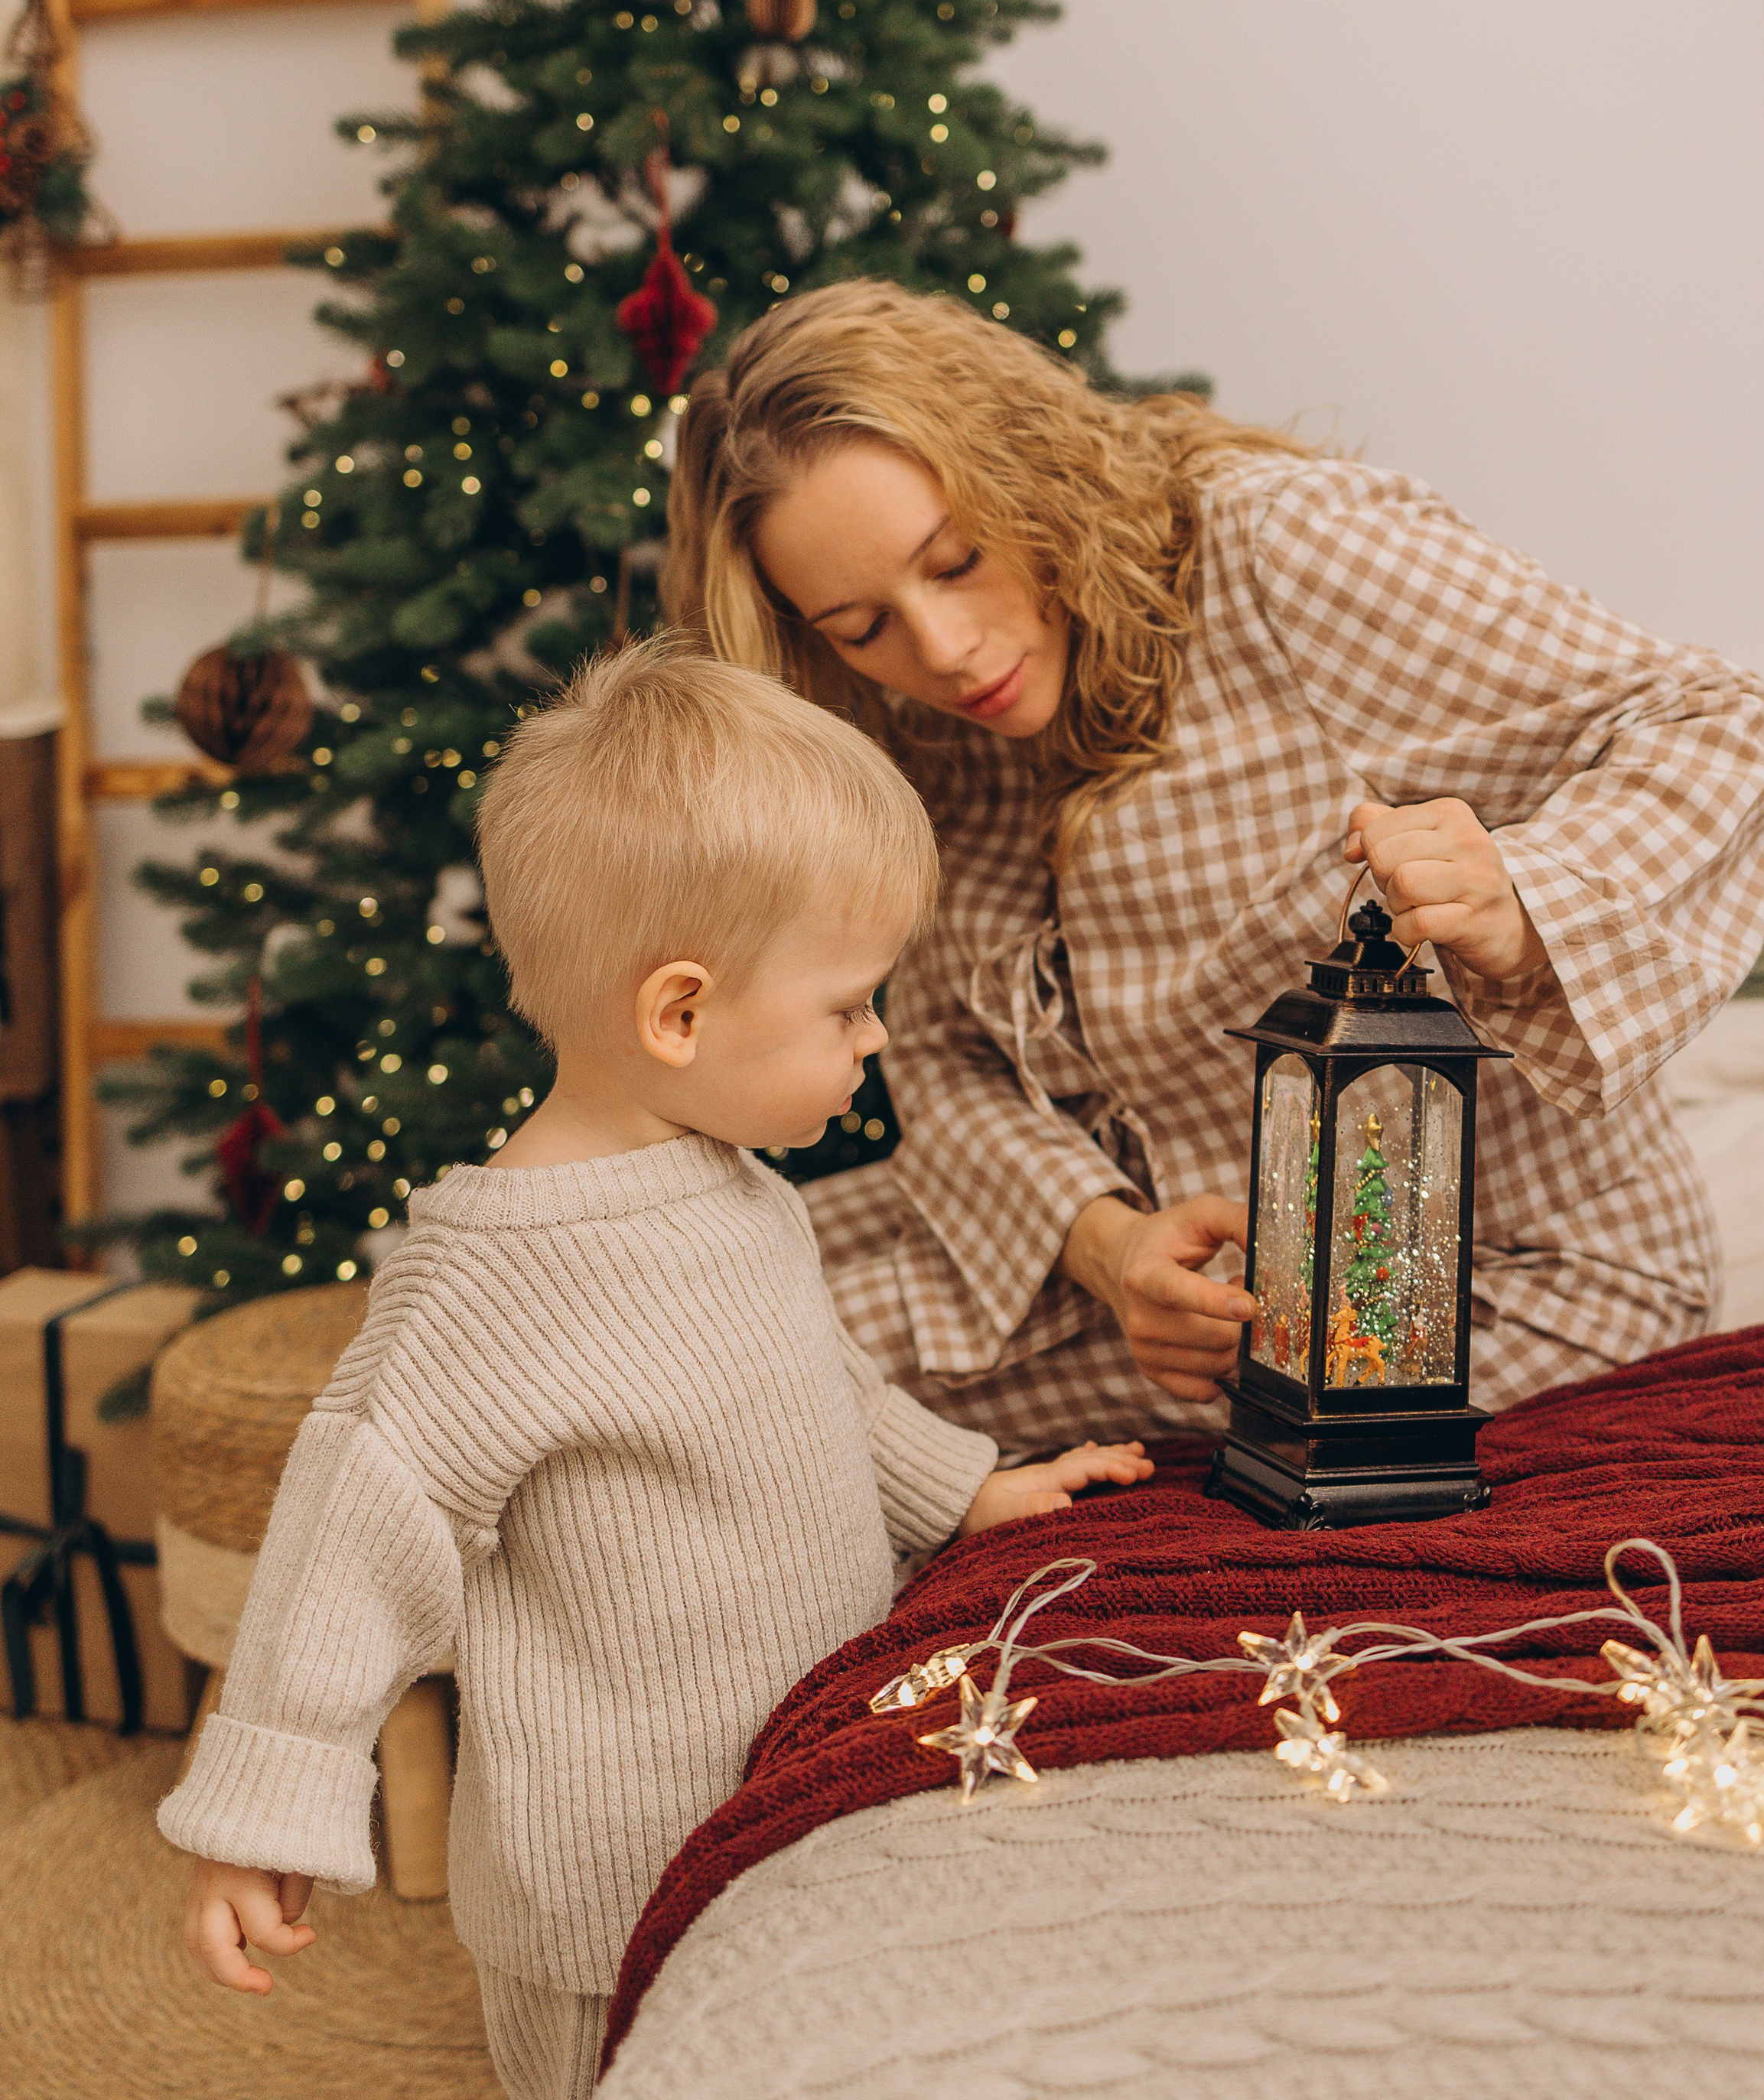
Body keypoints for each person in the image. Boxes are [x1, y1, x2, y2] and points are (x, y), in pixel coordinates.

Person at [160, 642, 1147, 2100]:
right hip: (614, 1886)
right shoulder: (494, 1274)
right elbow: (352, 1537)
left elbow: (811, 1392)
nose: (876, 1039)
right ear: (679, 1013)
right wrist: (262, 1805)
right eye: (849, 1006)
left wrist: (969, 1491)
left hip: (790, 1799)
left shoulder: (736, 1186)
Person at [665, 280, 1764, 1458]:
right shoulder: (916, 728)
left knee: (754, 1403)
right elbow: (947, 1059)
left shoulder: (1277, 553)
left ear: (1023, 468)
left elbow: (1732, 723)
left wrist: (1522, 898)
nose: (946, 651)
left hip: (1501, 1288)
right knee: (684, 1314)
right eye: (863, 627)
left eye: (957, 560)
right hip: (1164, 1282)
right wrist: (1108, 1248)